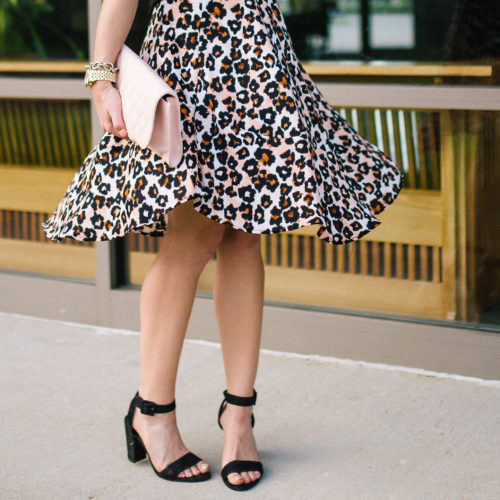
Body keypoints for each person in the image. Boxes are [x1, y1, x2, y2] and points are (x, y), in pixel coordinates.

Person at [42, 0, 404, 492]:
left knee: (244, 240)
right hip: (193, 60)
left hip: (260, 62)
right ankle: (153, 413)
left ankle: (238, 417)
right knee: (190, 243)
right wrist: (102, 78)